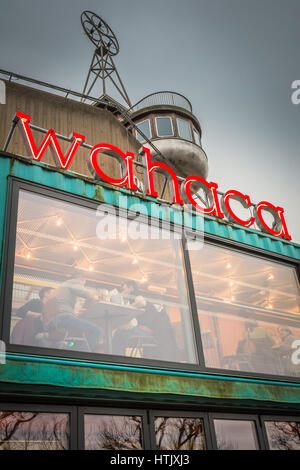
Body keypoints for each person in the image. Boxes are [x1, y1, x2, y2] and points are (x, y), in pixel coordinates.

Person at [112, 280, 180, 362]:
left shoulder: (137, 297)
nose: (123, 291)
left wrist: (129, 307)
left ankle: (118, 361)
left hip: (148, 329)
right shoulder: (131, 300)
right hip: (148, 328)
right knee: (119, 333)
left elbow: (140, 302)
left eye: (124, 289)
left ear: (131, 288)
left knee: (120, 333)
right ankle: (118, 360)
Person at [41, 274, 102, 352]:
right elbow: (85, 293)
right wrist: (95, 298)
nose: (82, 285)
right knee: (96, 330)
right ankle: (87, 355)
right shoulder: (73, 282)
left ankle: (77, 351)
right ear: (82, 280)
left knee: (76, 338)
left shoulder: (62, 287)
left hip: (56, 321)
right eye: (83, 284)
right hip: (63, 318)